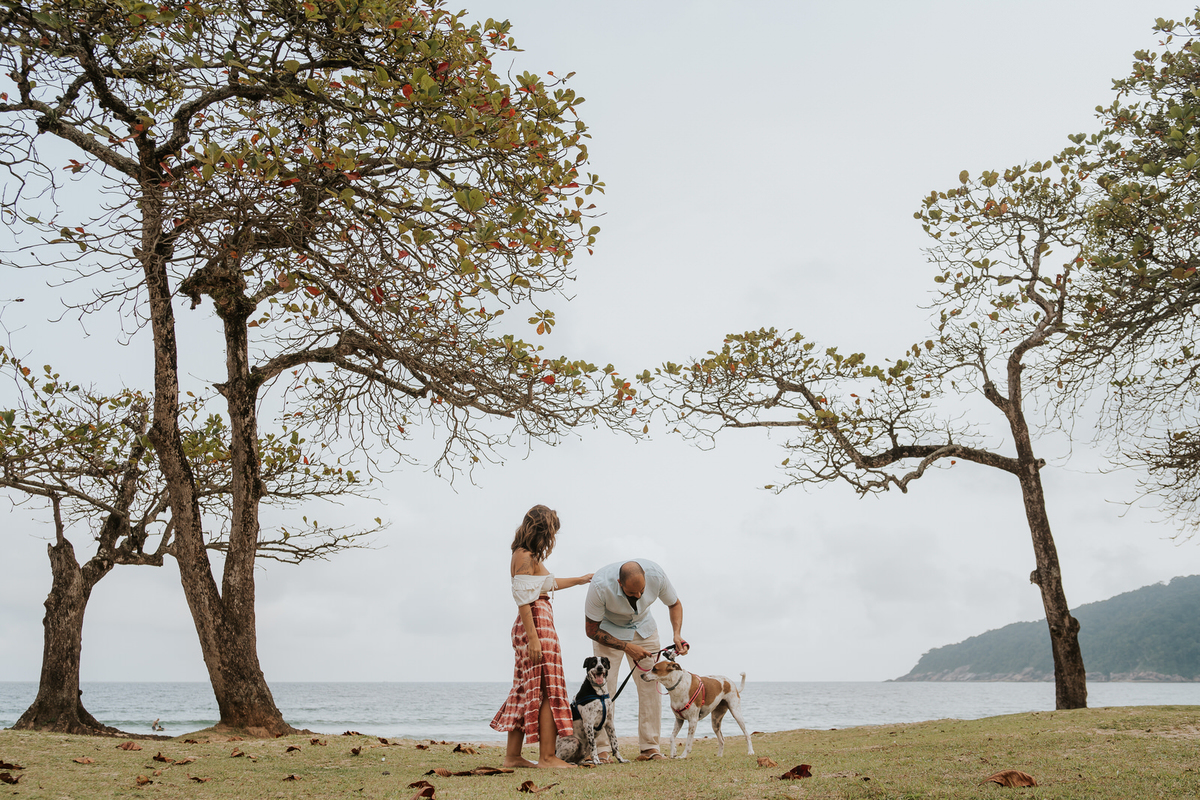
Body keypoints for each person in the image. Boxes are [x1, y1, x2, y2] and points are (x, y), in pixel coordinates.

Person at [490, 505, 593, 769]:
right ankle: (547, 757)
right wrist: (534, 638)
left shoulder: (525, 555)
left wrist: (581, 580)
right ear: (542, 529)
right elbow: (524, 600)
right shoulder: (524, 556)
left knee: (526, 689)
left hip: (537, 621)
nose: (553, 538)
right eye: (552, 531)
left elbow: (548, 583)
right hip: (535, 623)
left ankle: (512, 756)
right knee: (547, 689)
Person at [584, 559, 687, 762]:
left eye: (642, 591)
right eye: (632, 594)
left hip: (644, 630)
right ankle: (602, 750)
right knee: (603, 690)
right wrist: (627, 647)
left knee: (651, 688)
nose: (638, 596)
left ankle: (650, 748)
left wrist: (677, 634)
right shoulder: (599, 586)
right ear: (619, 584)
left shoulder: (657, 575)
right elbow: (591, 630)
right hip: (607, 631)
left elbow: (674, 604)